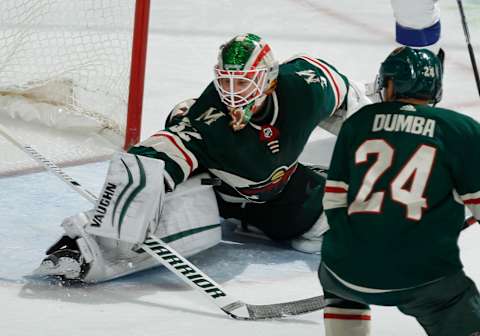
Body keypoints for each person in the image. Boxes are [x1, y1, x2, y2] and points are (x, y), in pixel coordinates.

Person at [35, 32, 372, 283]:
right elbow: (156, 157)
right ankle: (82, 250)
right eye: (225, 81)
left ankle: (259, 219)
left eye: (242, 83)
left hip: (279, 189)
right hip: (216, 195)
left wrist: (384, 136)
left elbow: (350, 96)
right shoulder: (207, 119)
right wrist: (130, 187)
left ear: (269, 78)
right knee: (190, 224)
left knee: (329, 222)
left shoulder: (306, 86)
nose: (231, 93)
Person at [319, 46, 480, 336]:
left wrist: (363, 248)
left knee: (339, 286)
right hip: (423, 278)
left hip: (342, 271)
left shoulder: (358, 121)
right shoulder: (461, 130)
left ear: (391, 84)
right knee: (455, 304)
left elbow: (333, 199)